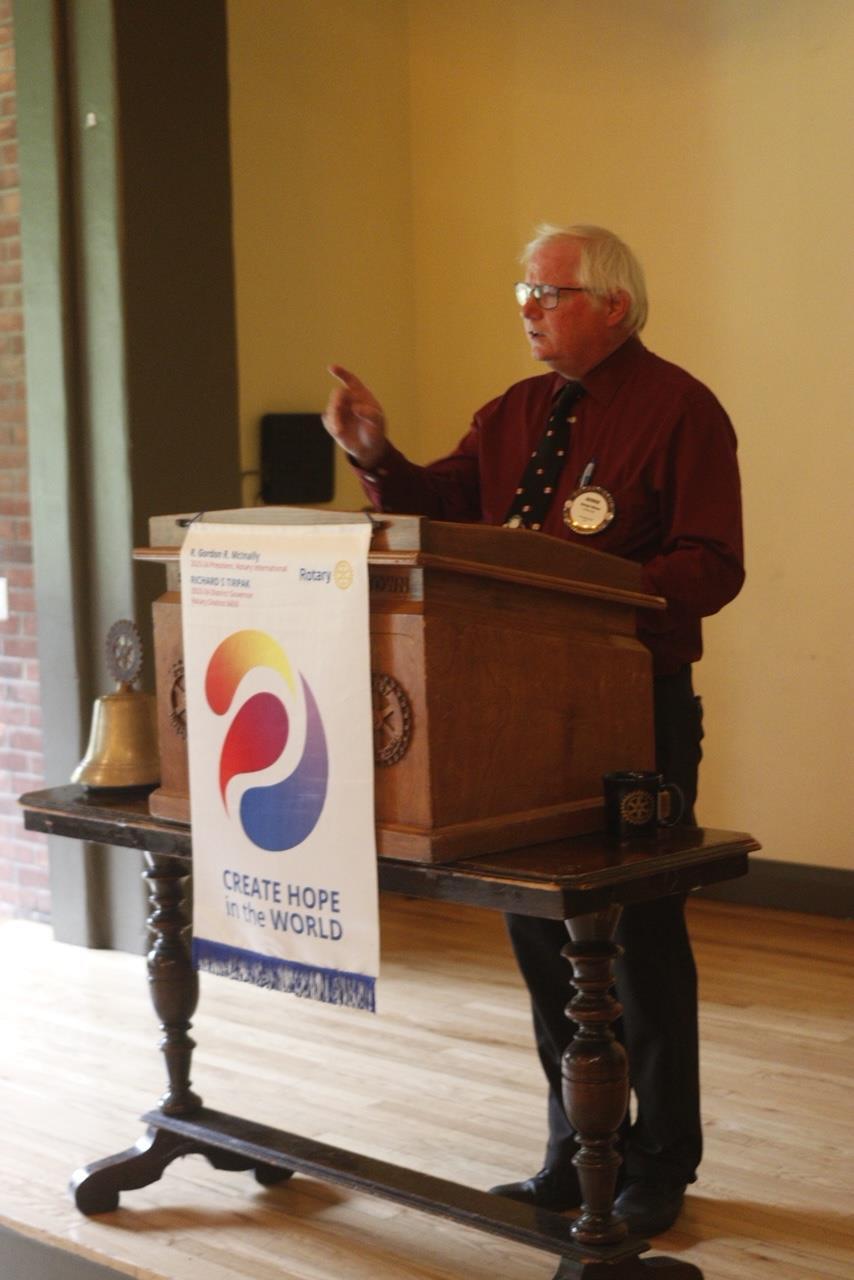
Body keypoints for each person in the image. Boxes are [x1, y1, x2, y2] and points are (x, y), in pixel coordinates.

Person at [322, 224, 744, 1236]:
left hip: (628, 709)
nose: (527, 309)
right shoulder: (514, 411)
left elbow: (712, 563)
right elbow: (443, 504)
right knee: (537, 929)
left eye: (547, 293)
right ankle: (575, 1145)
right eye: (523, 293)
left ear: (613, 305)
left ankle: (659, 1161)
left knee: (638, 937)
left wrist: (583, 589)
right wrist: (375, 456)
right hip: (513, 712)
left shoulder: (680, 409)